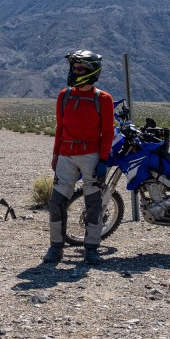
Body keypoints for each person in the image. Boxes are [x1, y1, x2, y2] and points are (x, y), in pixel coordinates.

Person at [44, 50, 115, 266]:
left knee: (93, 203)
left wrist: (103, 160)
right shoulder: (64, 95)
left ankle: (91, 248)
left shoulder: (103, 99)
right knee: (56, 202)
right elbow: (60, 127)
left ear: (91, 71)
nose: (75, 72)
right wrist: (56, 154)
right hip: (66, 155)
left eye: (79, 69)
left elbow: (108, 133)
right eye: (74, 68)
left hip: (90, 157)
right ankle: (56, 247)